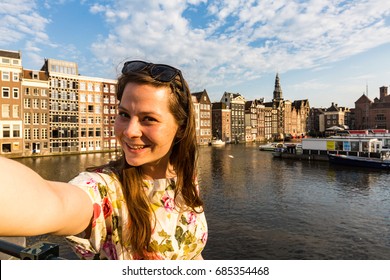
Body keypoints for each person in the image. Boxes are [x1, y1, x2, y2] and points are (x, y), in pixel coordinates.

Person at [0, 60, 208, 260]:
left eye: (148, 119)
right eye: (124, 114)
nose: (130, 131)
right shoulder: (105, 191)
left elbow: (192, 252)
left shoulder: (185, 176)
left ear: (180, 127)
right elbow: (54, 203)